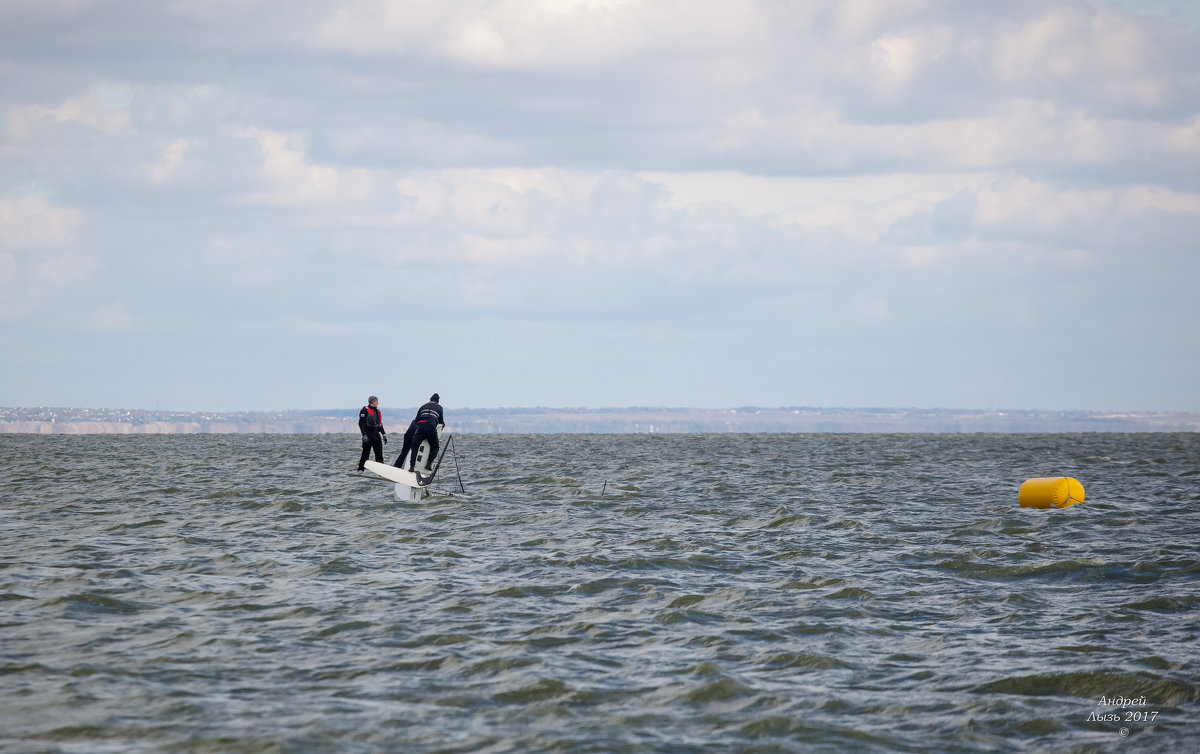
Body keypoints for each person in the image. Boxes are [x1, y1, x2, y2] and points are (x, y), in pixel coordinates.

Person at [408, 393, 445, 472]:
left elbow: (417, 420)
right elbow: (441, 421)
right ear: (438, 401)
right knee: (435, 446)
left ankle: (411, 467)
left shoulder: (423, 406)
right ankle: (428, 464)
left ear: (430, 399)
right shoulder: (439, 407)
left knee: (414, 446)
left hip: (421, 426)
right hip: (431, 427)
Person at [356, 396, 387, 471]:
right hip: (368, 434)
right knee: (365, 453)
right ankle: (360, 469)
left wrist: (384, 434)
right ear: (372, 402)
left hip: (376, 434)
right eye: (376, 401)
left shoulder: (378, 411)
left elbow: (380, 425)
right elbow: (361, 423)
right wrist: (364, 435)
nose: (378, 403)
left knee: (379, 454)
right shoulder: (364, 410)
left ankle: (381, 470)